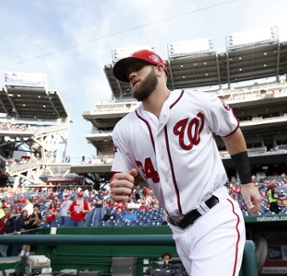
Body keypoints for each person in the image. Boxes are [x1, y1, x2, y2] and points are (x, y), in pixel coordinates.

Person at [109, 49, 262, 276]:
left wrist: (246, 182)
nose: (131, 75)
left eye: (137, 68)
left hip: (214, 217)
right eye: (128, 74)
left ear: (160, 69)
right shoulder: (123, 128)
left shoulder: (198, 101)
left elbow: (232, 132)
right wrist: (118, 186)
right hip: (177, 230)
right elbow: (121, 175)